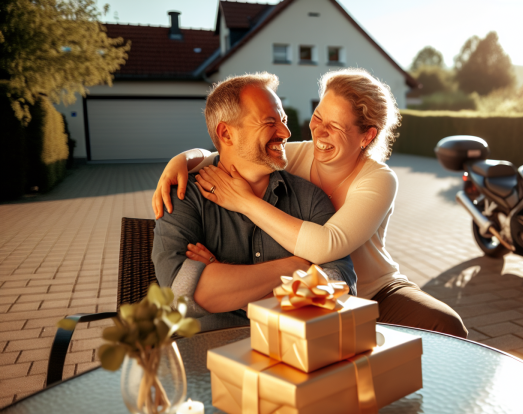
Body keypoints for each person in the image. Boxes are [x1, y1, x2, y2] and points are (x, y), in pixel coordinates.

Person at [154, 68, 468, 338]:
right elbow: (233, 153)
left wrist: (242, 210)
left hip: (374, 290)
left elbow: (328, 261)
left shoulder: (375, 180)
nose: (315, 130)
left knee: (445, 325)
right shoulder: (295, 156)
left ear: (366, 137)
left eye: (337, 127)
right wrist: (183, 159)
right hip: (294, 309)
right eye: (318, 117)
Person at [152, 72, 356, 331]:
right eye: (270, 122)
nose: (285, 132)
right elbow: (179, 296)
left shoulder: (310, 197)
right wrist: (296, 266)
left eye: (283, 119)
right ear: (226, 134)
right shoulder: (184, 195)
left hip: (292, 348)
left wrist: (222, 277)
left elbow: (339, 285)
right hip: (205, 356)